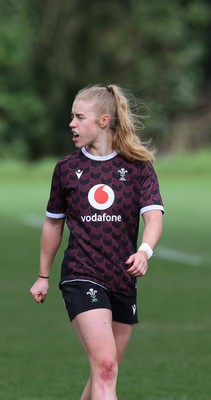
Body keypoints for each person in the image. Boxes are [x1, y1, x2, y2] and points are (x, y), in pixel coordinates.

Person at [30, 84, 164, 400]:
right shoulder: (67, 168)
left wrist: (144, 251)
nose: (71, 124)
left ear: (104, 120)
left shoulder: (138, 167)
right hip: (81, 273)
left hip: (122, 278)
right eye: (72, 117)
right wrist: (43, 275)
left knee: (105, 370)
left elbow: (154, 217)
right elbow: (53, 222)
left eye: (79, 117)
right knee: (105, 366)